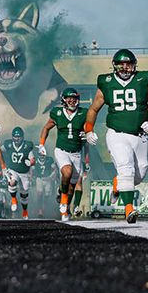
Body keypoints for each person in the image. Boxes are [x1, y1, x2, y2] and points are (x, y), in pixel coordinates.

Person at [84, 49, 148, 224]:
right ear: (115, 65)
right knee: (126, 168)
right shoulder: (107, 82)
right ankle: (129, 209)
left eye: (128, 64)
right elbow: (93, 109)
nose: (125, 68)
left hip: (140, 135)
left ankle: (117, 183)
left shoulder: (144, 79)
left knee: (140, 172)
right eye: (121, 64)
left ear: (134, 66)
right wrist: (89, 129)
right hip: (117, 133)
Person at [39, 87, 89, 222]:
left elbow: (87, 130)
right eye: (69, 98)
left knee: (72, 185)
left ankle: (65, 204)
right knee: (67, 172)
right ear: (63, 100)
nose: (72, 101)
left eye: (74, 98)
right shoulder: (57, 112)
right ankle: (63, 201)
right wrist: (42, 144)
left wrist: (88, 133)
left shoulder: (83, 113)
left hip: (77, 153)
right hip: (62, 150)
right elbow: (46, 128)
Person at [2, 127, 36, 219]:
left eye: (19, 137)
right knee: (12, 182)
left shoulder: (27, 146)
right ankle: (13, 199)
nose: (17, 139)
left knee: (24, 193)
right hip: (13, 170)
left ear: (22, 137)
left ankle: (25, 210)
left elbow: (33, 160)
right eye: (15, 136)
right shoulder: (8, 144)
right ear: (12, 137)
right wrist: (3, 163)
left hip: (24, 172)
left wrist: (30, 162)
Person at [32, 153, 58, 218]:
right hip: (39, 178)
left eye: (43, 155)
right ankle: (40, 210)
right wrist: (32, 178)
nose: (42, 156)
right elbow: (32, 170)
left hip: (48, 178)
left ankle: (44, 208)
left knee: (47, 195)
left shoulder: (49, 160)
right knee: (39, 194)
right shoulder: (35, 160)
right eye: (40, 155)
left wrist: (51, 177)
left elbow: (55, 169)